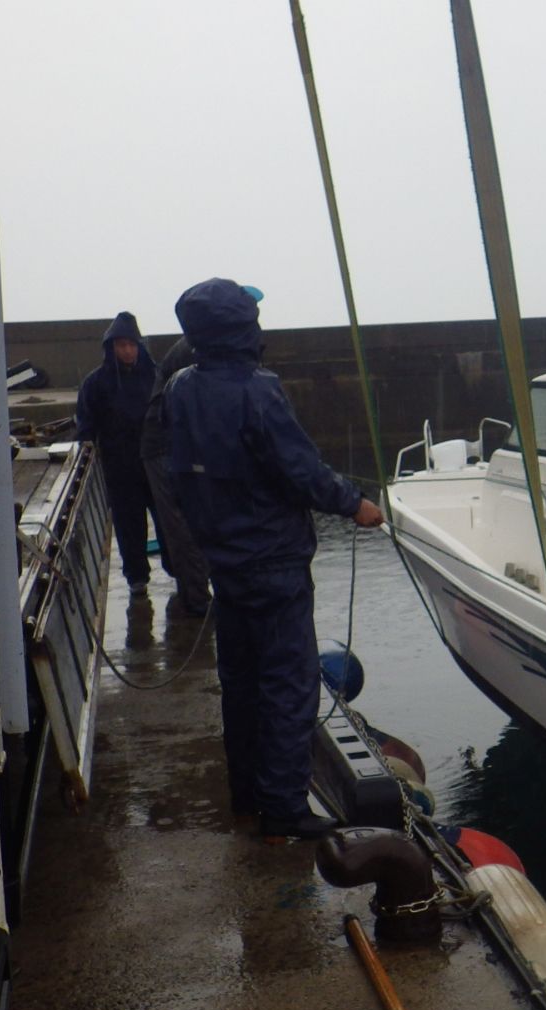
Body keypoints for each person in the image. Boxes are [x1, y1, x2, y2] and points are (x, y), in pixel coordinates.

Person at [162, 278, 384, 841]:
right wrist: (354, 504)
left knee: (240, 683)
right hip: (274, 562)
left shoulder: (180, 388)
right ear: (243, 329)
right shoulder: (258, 391)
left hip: (225, 563)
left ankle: (247, 795)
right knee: (288, 684)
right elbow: (300, 470)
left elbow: (175, 473)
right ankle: (283, 808)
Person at [75, 311, 161, 596]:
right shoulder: (96, 383)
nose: (127, 350)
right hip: (120, 468)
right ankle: (137, 579)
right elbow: (85, 427)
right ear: (111, 348)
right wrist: (86, 451)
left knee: (170, 524)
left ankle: (181, 574)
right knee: (129, 527)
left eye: (132, 344)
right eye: (121, 345)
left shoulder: (155, 376)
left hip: (155, 465)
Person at [140, 335, 212, 616]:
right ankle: (197, 601)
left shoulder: (201, 342)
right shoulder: (199, 349)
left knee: (190, 521)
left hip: (178, 440)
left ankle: (194, 593)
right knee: (182, 525)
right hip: (164, 445)